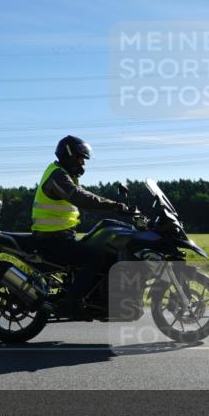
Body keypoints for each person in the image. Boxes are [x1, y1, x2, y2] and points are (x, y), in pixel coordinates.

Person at [32, 135, 128, 318]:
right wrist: (113, 205)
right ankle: (71, 302)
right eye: (80, 158)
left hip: (60, 235)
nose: (83, 163)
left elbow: (79, 198)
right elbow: (79, 197)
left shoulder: (62, 174)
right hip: (52, 237)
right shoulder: (57, 176)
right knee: (95, 257)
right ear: (69, 155)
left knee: (100, 249)